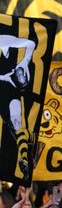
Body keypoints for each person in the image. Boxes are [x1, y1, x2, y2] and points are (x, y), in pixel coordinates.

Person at [0, 35, 34, 182]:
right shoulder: (5, 42)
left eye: (23, 79)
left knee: (17, 122)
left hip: (9, 93)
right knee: (17, 129)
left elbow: (31, 43)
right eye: (22, 76)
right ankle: (29, 140)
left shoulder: (13, 81)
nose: (22, 77)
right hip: (5, 87)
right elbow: (31, 43)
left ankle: (24, 159)